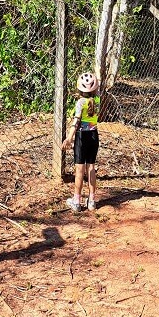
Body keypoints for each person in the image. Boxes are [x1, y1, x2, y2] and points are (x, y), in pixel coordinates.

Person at [61, 72, 100, 212]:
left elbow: (77, 121)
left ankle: (76, 201)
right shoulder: (97, 101)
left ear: (79, 89)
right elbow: (97, 90)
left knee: (79, 170)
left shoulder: (80, 103)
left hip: (82, 138)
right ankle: (92, 201)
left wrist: (69, 137)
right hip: (94, 136)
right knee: (91, 168)